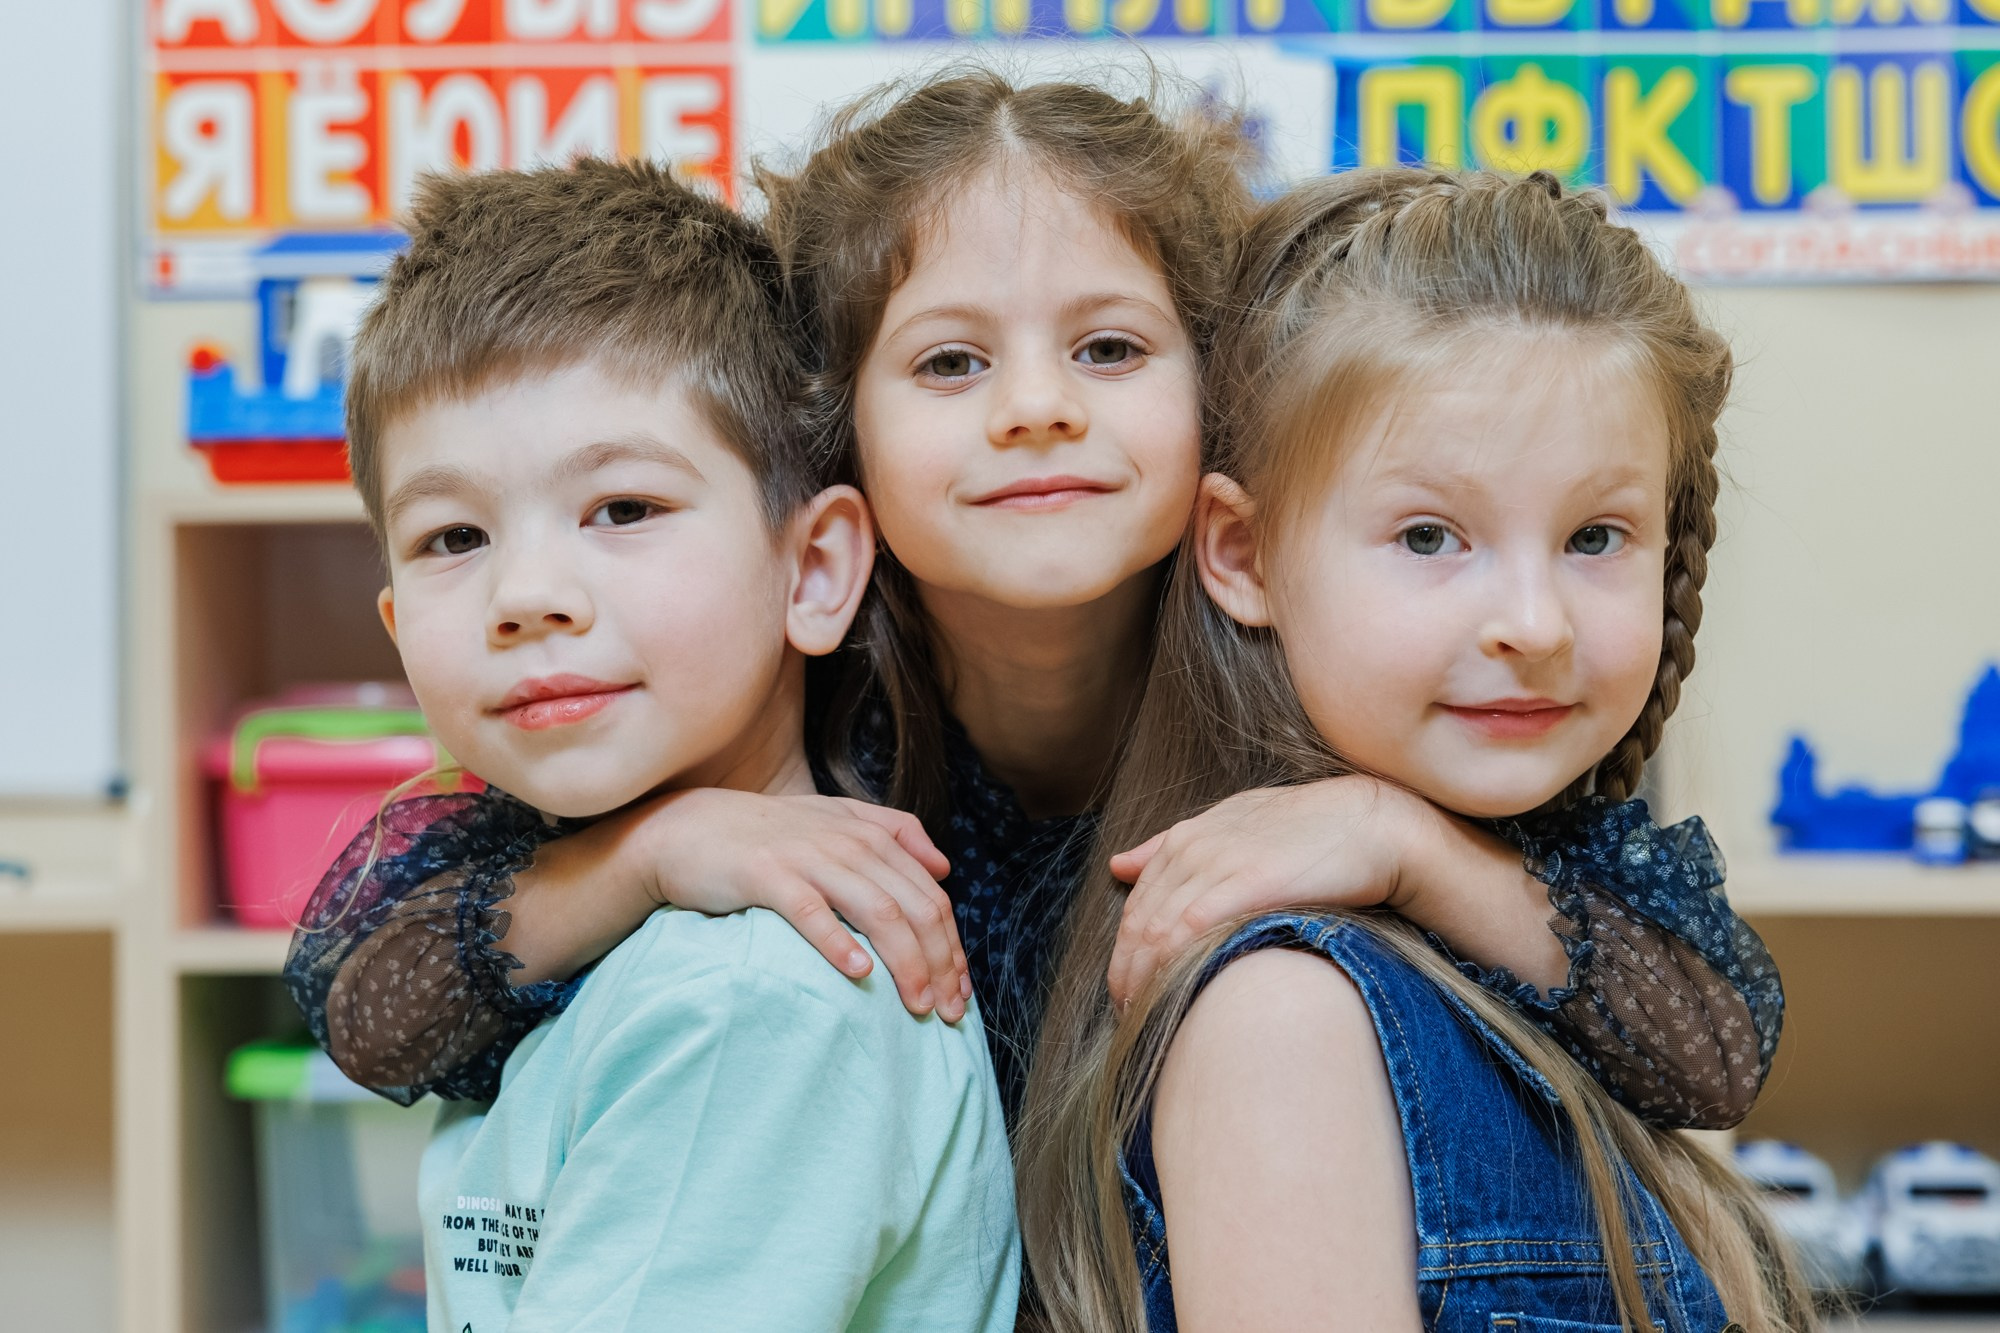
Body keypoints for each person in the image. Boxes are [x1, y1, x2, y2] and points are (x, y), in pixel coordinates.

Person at [287, 71, 1780, 1153]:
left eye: (1110, 349)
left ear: (1216, 399)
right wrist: (654, 852)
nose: (1036, 410)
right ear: (839, 441)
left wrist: (1405, 843)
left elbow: (1714, 1043)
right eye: (950, 364)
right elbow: (367, 999)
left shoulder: (1335, 687)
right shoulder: (775, 715)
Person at [1020, 168, 1814, 1333]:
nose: (1533, 625)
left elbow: (1711, 1051)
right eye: (1429, 536)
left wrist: (1406, 844)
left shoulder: (1521, 910)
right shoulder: (1282, 1022)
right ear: (1240, 553)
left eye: (1594, 536)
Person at [333, 157, 1017, 1331]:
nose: (526, 596)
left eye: (623, 509)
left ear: (812, 570)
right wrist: (651, 854)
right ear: (397, 625)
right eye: (453, 536)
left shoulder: (745, 1000)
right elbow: (370, 1011)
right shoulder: (616, 915)